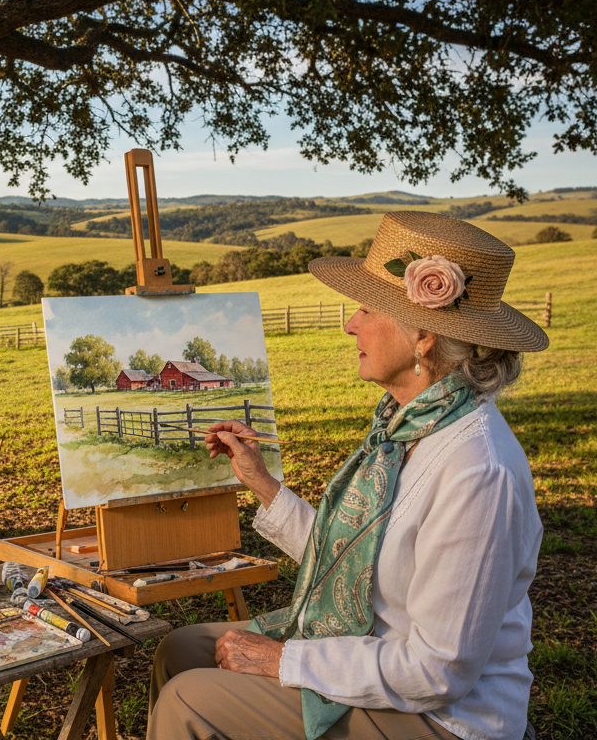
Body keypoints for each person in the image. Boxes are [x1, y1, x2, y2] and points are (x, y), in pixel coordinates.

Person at [148, 212, 548, 740]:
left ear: (423, 335)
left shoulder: (477, 471)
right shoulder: (403, 428)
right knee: (179, 650)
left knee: (189, 702)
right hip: (378, 655)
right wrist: (263, 484)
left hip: (439, 719)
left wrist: (285, 660)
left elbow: (438, 673)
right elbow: (357, 558)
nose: (350, 324)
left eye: (366, 308)